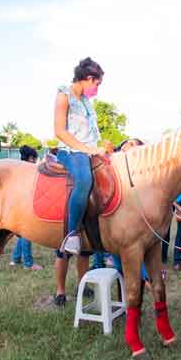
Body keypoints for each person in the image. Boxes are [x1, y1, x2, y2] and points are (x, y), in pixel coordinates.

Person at [52, 57, 106, 255]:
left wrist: (100, 147)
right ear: (89, 78)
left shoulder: (86, 102)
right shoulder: (64, 94)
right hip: (70, 151)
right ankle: (72, 234)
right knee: (83, 179)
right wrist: (88, 150)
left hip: (88, 150)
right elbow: (59, 131)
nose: (97, 89)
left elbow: (90, 134)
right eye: (97, 84)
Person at [10, 146, 44, 270]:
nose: (35, 161)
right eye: (35, 159)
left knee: (21, 232)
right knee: (27, 233)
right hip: (24, 204)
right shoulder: (29, 169)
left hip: (15, 204)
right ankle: (28, 263)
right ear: (31, 158)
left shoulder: (17, 167)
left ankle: (15, 258)